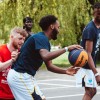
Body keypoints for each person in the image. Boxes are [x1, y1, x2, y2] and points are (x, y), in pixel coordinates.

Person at [7, 15, 82, 100]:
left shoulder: (44, 41)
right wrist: (66, 49)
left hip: (25, 76)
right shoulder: (41, 38)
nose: (59, 31)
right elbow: (45, 56)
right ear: (52, 26)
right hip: (20, 76)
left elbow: (49, 66)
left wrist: (65, 71)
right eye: (58, 27)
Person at [75, 2, 100, 100]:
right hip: (84, 64)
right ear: (94, 13)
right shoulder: (90, 29)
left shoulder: (98, 27)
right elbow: (87, 53)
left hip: (89, 64)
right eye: (98, 13)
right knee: (90, 91)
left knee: (92, 91)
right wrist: (96, 73)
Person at [0, 27, 27, 100]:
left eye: (24, 39)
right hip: (2, 95)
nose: (22, 42)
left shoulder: (22, 53)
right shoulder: (1, 50)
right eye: (20, 38)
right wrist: (12, 60)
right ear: (11, 37)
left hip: (16, 95)